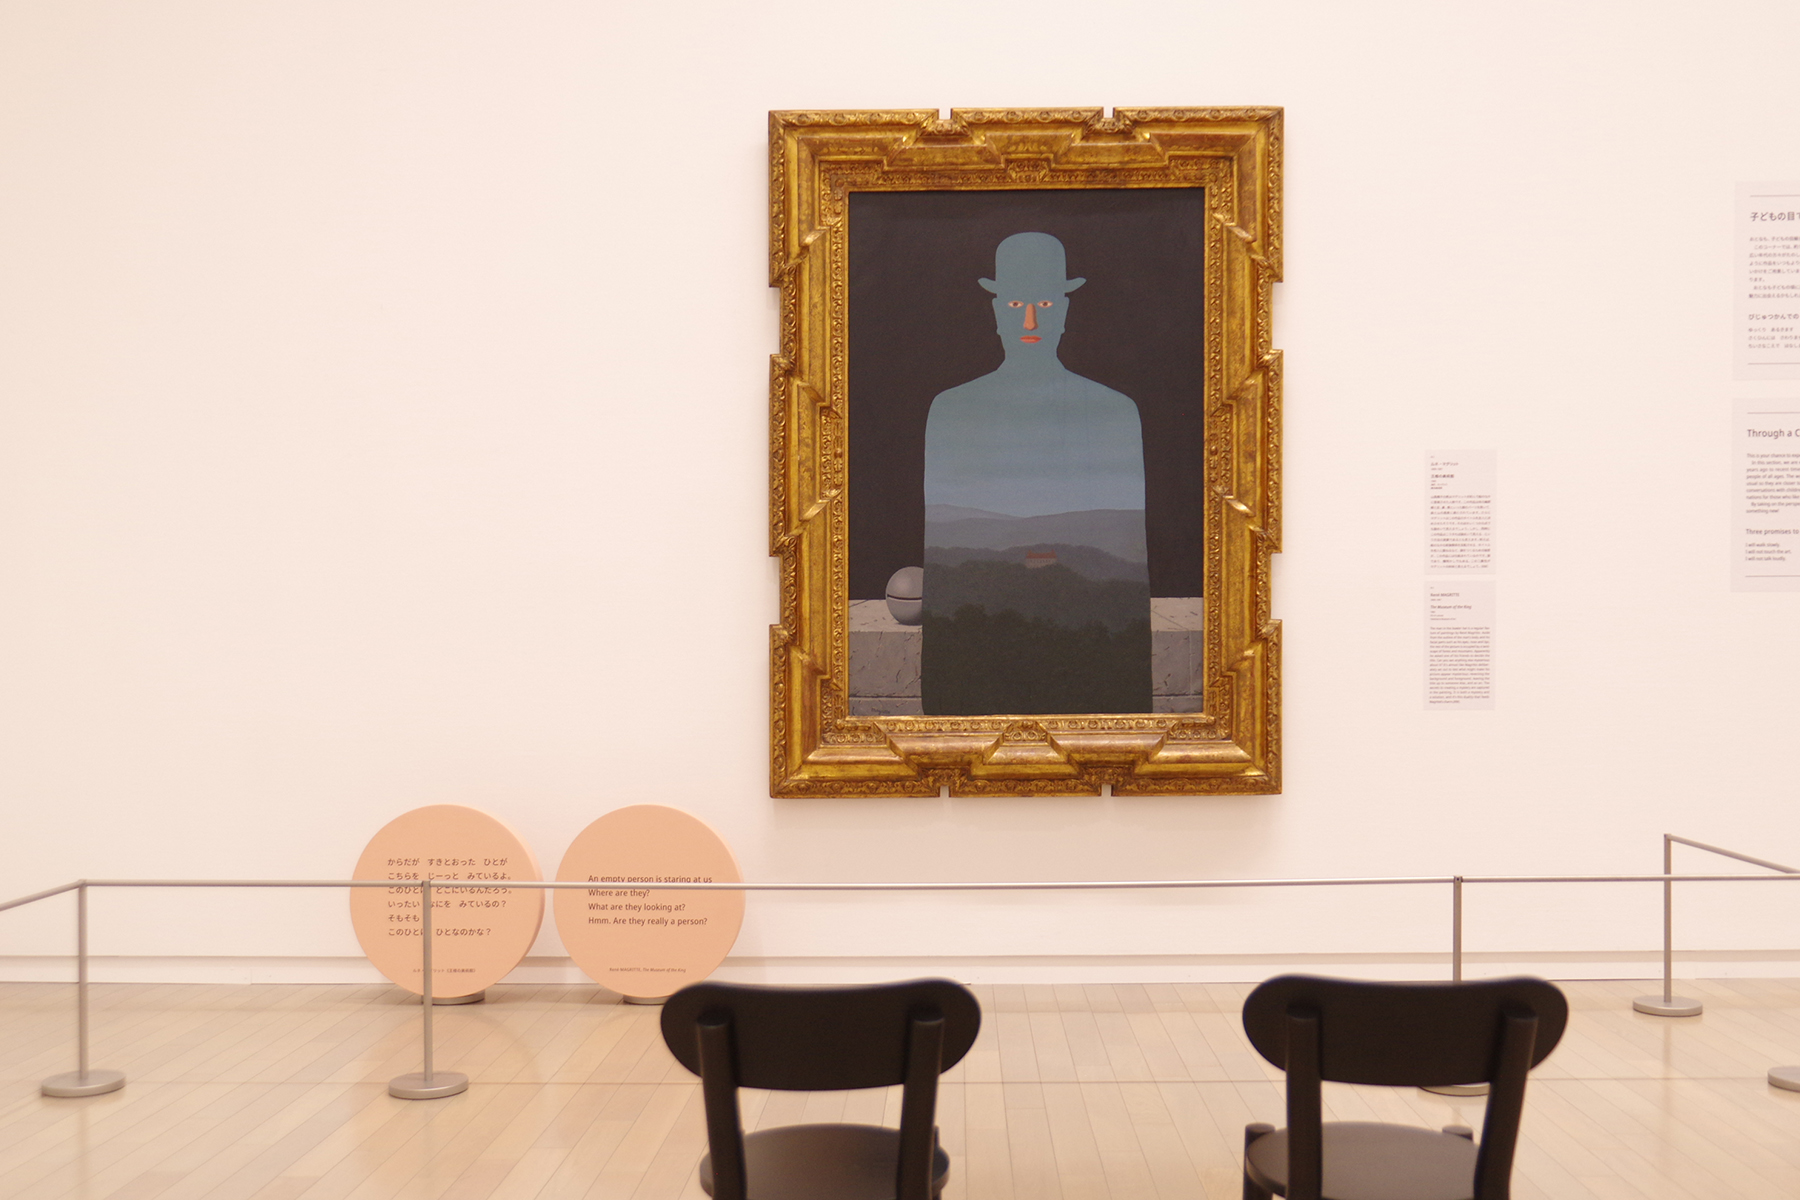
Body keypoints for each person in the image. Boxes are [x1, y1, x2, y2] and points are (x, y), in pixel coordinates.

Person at [908, 232, 1151, 715]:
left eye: (1045, 303)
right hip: (980, 652)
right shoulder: (953, 411)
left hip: (1089, 655)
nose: (1031, 321)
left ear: (1065, 311)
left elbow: (1123, 567)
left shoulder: (1114, 412)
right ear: (997, 311)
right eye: (1017, 303)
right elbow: (948, 560)